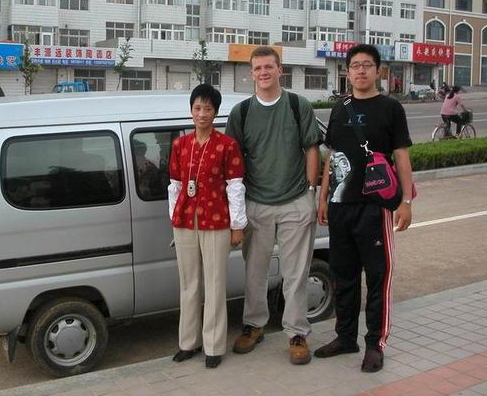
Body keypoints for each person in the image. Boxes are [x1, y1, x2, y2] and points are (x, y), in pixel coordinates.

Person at [315, 44, 414, 373]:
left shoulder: (390, 108)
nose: (360, 71)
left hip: (376, 208)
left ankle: (375, 344)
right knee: (343, 277)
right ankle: (345, 338)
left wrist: (405, 201)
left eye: (367, 65)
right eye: (354, 65)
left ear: (378, 71)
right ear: (347, 71)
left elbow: (401, 155)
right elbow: (332, 156)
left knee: (377, 277)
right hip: (341, 207)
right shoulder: (339, 108)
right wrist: (324, 196)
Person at [225, 46, 322, 365]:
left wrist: (310, 191)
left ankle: (296, 332)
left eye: (269, 67)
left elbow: (312, 150)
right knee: (255, 272)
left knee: (296, 273)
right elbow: (233, 163)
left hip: (296, 201)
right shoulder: (241, 113)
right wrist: (236, 211)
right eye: (258, 68)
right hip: (256, 204)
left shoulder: (298, 105)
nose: (263, 73)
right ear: (250, 73)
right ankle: (254, 326)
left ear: (280, 70)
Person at [168, 84, 247, 369]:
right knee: (189, 284)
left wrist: (238, 225)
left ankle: (214, 346)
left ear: (215, 112)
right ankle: (188, 343)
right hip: (185, 221)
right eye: (197, 108)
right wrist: (174, 218)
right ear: (191, 111)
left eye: (208, 109)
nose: (202, 113)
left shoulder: (227, 145)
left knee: (215, 284)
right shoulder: (180, 145)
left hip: (216, 222)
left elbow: (235, 187)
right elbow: (175, 186)